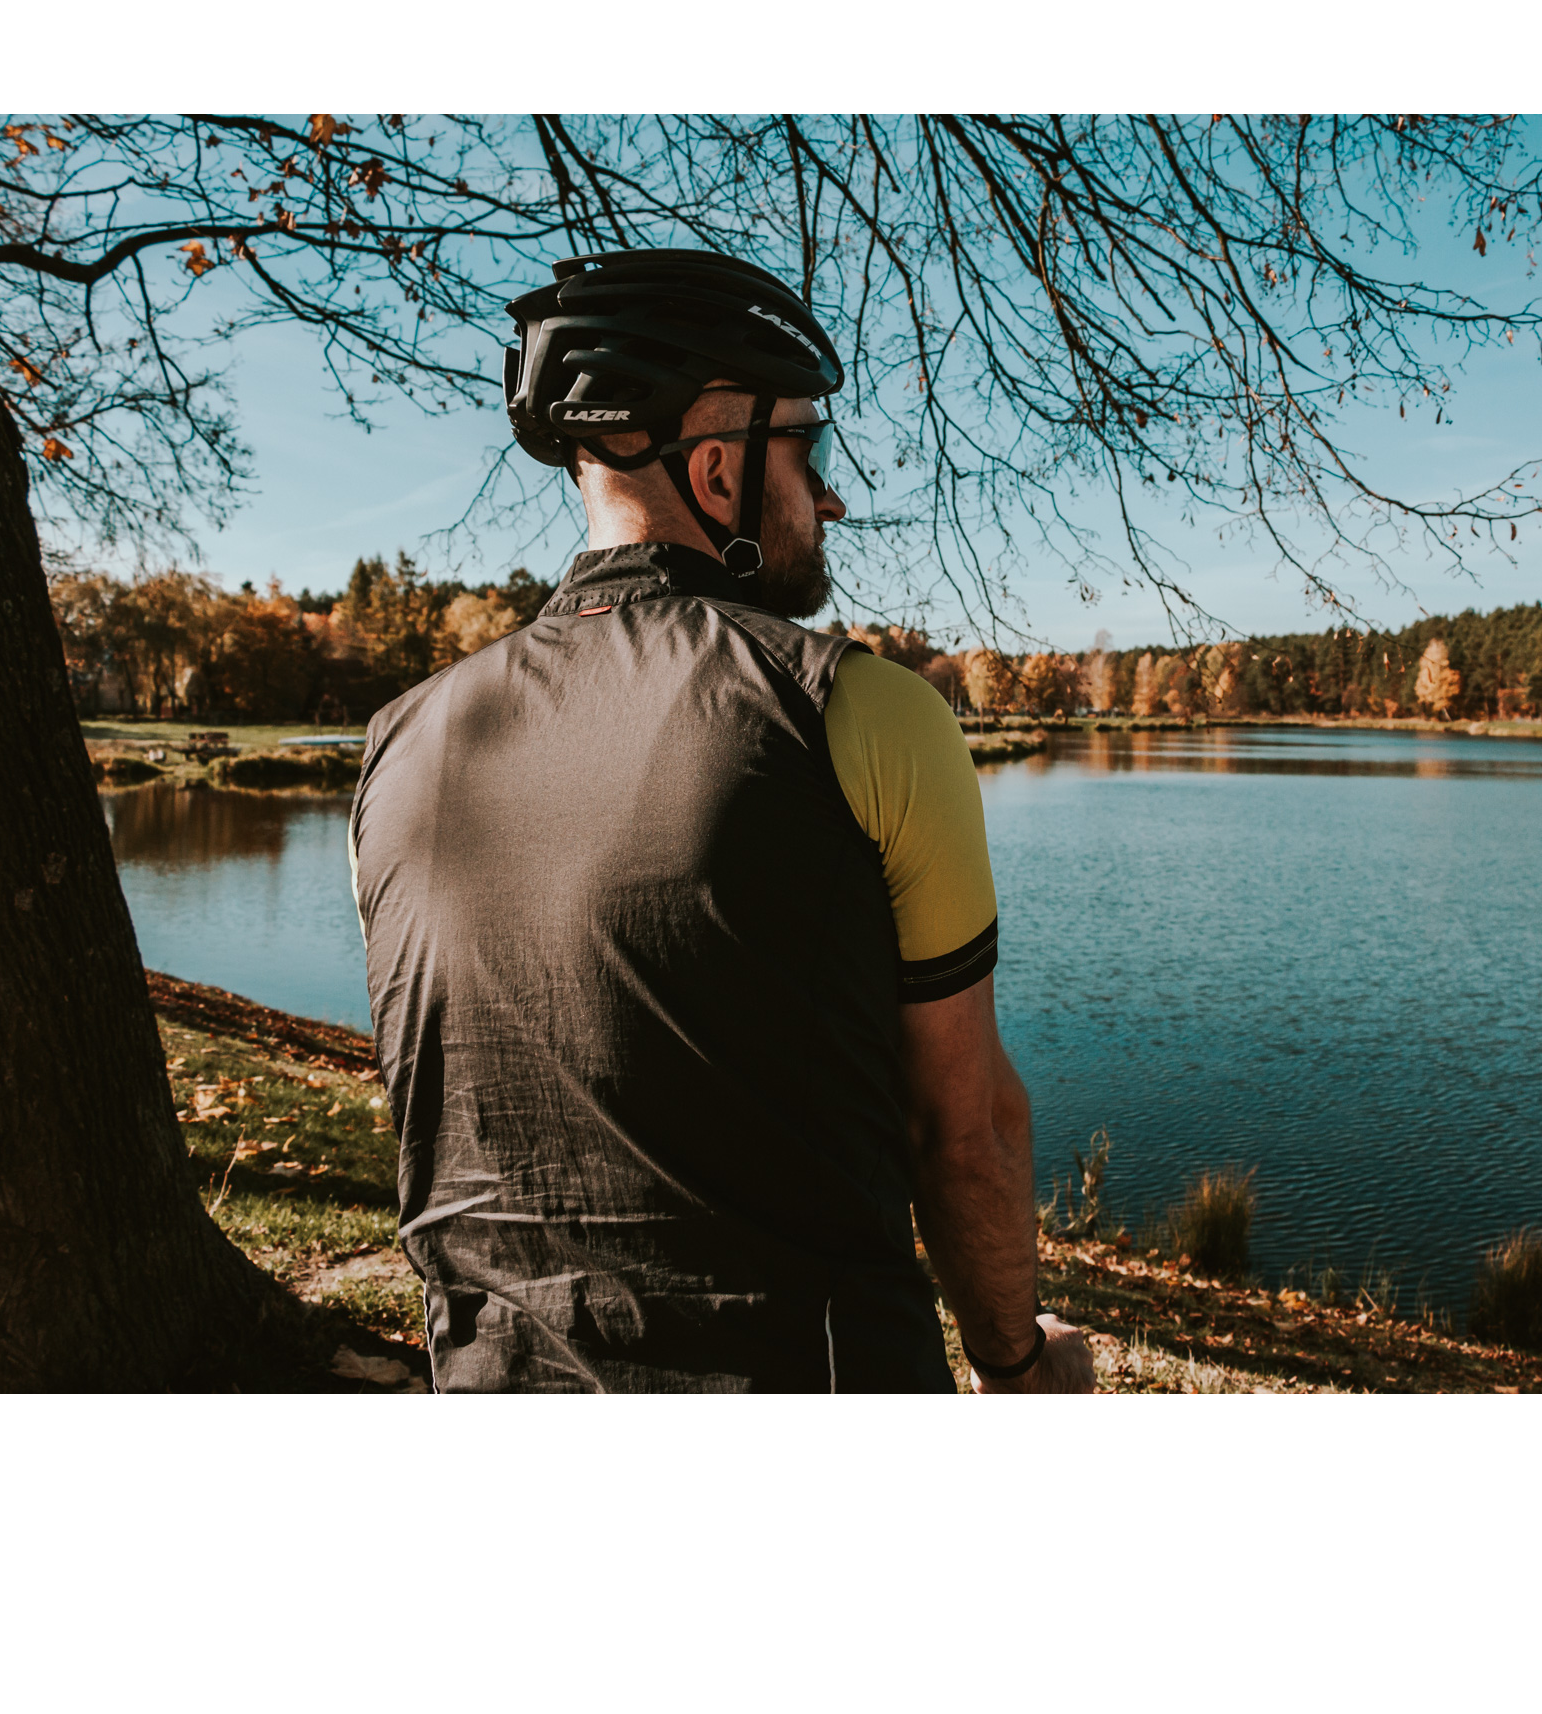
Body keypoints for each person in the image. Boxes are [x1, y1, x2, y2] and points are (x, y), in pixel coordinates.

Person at [349, 249, 1094, 1394]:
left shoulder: (399, 745)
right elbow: (968, 1132)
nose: (833, 494)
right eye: (811, 448)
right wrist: (1014, 1360)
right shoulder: (861, 709)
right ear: (714, 470)